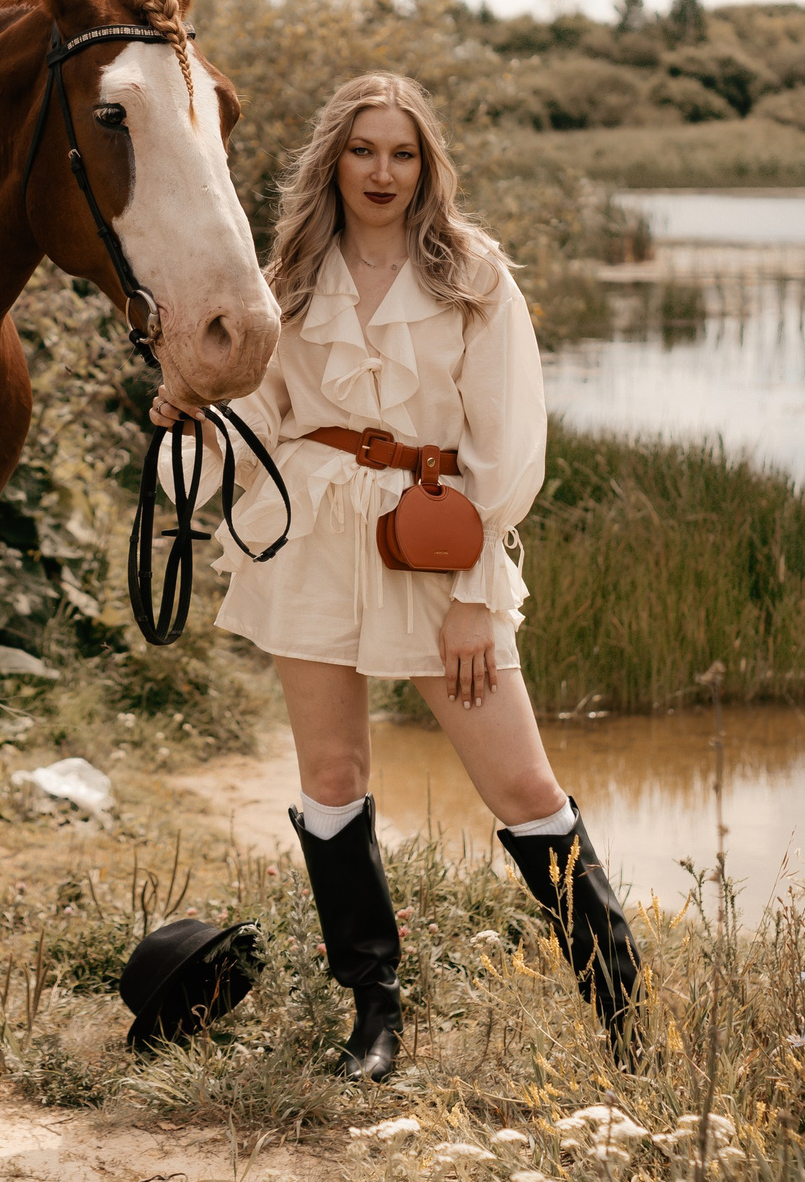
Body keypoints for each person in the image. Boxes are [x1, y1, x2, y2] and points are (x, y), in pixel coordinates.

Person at [152, 72, 643, 1080]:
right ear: (333, 159)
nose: (383, 171)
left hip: (436, 542)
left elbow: (511, 437)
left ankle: (626, 1020)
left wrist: (473, 597)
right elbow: (255, 427)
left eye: (403, 152)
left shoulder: (470, 272)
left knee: (522, 785)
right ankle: (374, 1020)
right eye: (363, 150)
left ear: (426, 166)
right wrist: (181, 445)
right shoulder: (281, 277)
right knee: (332, 781)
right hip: (312, 541)